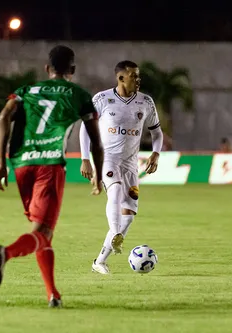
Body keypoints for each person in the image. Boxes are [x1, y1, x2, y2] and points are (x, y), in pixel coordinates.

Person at [0, 45, 105, 308]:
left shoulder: (26, 91)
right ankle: (4, 253)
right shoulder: (80, 95)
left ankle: (53, 294)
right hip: (50, 164)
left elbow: (4, 116)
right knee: (43, 232)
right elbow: (96, 141)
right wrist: (97, 175)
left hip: (21, 164)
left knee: (43, 234)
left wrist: (0, 161)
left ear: (46, 69)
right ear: (72, 71)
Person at [79, 60, 164, 275]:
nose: (138, 79)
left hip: (130, 165)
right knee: (114, 191)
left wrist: (155, 153)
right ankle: (116, 233)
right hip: (107, 159)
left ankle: (100, 261)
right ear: (120, 78)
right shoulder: (102, 99)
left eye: (138, 75)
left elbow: (157, 132)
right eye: (133, 76)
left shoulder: (145, 102)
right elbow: (84, 128)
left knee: (129, 215)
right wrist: (85, 158)